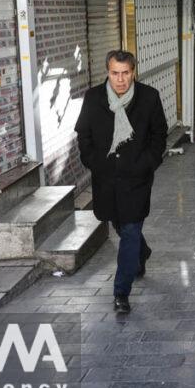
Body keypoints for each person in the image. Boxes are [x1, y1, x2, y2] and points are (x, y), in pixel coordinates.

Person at [75, 50, 167, 314]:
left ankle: (121, 292)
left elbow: (159, 135)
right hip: (106, 179)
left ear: (133, 72)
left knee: (130, 228)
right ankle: (141, 251)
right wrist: (95, 162)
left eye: (125, 73)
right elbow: (83, 135)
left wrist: (146, 163)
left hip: (137, 180)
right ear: (108, 72)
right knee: (120, 223)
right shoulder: (94, 98)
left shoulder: (149, 97)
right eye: (115, 73)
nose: (120, 79)